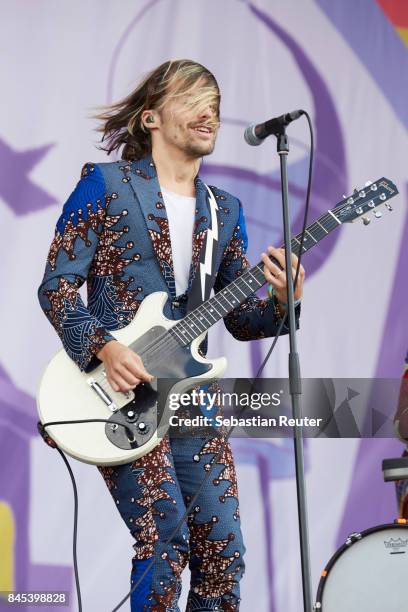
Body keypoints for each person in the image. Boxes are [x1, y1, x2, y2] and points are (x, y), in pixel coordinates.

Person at [38, 59, 304, 612]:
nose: (209, 111)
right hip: (121, 395)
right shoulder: (106, 185)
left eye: (215, 102)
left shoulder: (223, 210)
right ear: (152, 116)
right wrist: (106, 348)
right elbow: (57, 288)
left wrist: (284, 301)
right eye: (193, 99)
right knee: (165, 541)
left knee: (223, 554)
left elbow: (237, 319)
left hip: (192, 401)